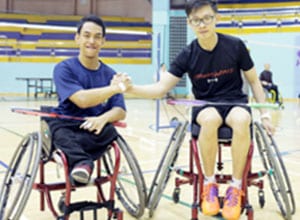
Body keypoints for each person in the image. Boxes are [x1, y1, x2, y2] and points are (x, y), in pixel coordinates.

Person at [114, 0, 274, 219]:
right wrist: (131, 88)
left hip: (235, 102)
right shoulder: (188, 54)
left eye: (207, 18)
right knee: (208, 119)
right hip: (205, 105)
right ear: (189, 23)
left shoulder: (235, 46)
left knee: (242, 118)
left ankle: (236, 187)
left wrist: (265, 115)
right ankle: (209, 185)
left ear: (216, 18)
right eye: (196, 20)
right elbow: (161, 87)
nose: (202, 24)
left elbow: (254, 81)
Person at [46, 15, 130, 185]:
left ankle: (75, 159)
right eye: (86, 35)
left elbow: (120, 111)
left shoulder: (109, 73)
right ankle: (83, 163)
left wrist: (103, 118)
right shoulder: (64, 68)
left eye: (97, 37)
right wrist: (114, 88)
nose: (92, 41)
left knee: (111, 131)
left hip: (93, 129)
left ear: (103, 41)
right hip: (67, 125)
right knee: (56, 129)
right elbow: (82, 100)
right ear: (77, 38)